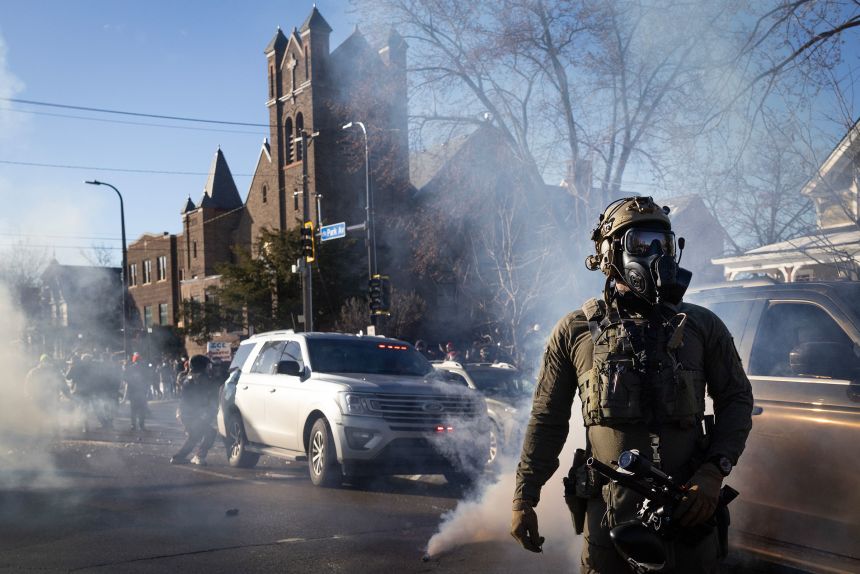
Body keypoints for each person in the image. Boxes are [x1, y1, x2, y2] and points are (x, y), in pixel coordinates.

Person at [510, 196, 754, 573]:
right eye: (642, 243)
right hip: (610, 523)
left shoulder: (702, 327)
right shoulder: (574, 331)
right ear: (610, 255)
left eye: (664, 244)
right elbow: (547, 419)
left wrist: (713, 471)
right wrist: (524, 497)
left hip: (690, 515)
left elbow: (736, 399)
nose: (657, 255)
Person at [170, 354, 221, 466]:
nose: (209, 368)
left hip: (185, 412)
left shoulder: (189, 376)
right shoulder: (201, 378)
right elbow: (212, 387)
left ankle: (178, 458)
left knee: (195, 436)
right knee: (210, 433)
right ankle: (199, 456)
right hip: (190, 414)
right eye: (207, 366)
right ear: (201, 366)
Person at [25, 354, 70, 435]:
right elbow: (29, 384)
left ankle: (55, 432)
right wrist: (30, 395)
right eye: (45, 361)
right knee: (40, 415)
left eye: (48, 361)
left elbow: (62, 384)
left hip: (52, 398)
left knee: (53, 415)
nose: (47, 363)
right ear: (41, 362)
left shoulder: (55, 372)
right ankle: (40, 432)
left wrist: (68, 394)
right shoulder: (34, 372)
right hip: (39, 397)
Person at [123, 353, 150, 431]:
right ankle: (141, 425)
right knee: (141, 409)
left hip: (134, 392)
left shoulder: (130, 368)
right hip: (141, 392)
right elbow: (148, 380)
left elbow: (126, 380)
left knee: (134, 409)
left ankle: (133, 425)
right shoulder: (144, 369)